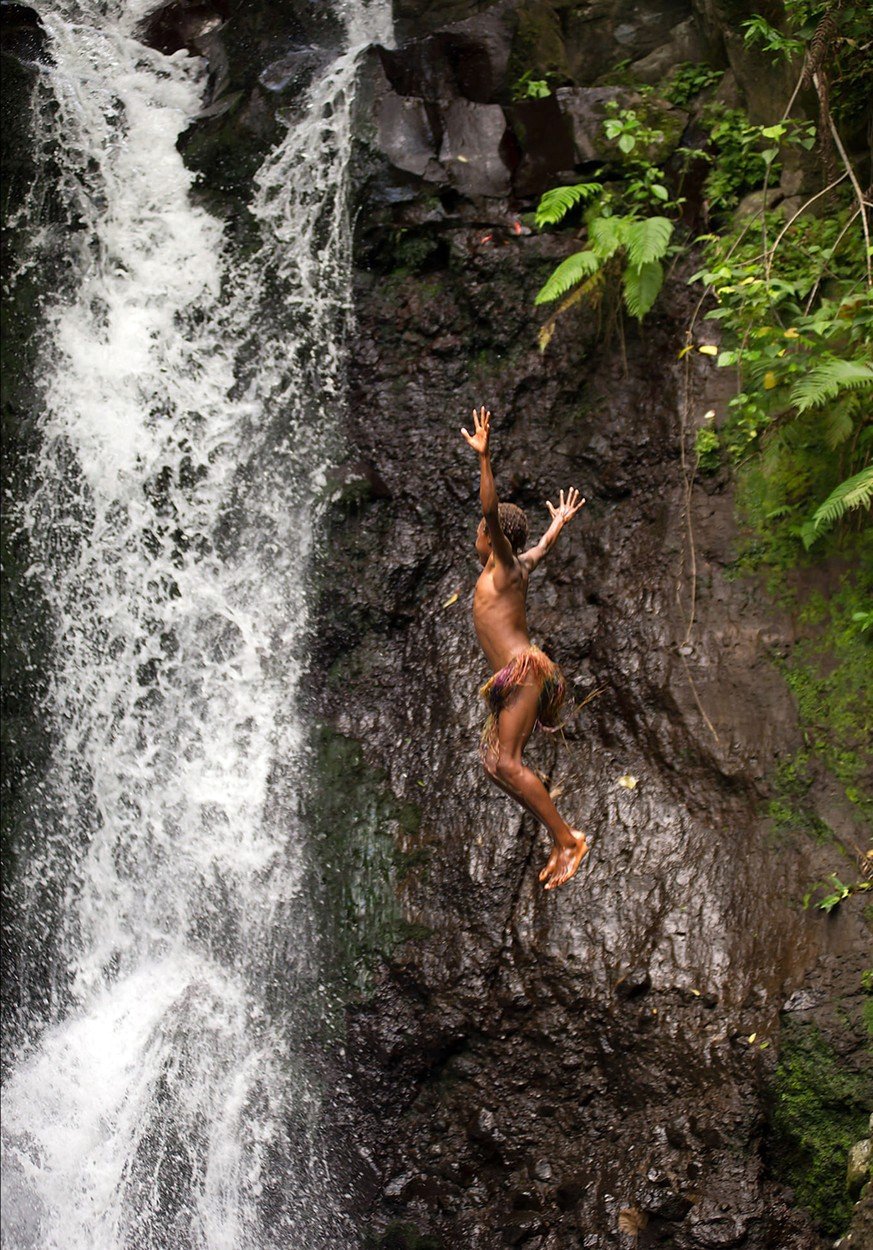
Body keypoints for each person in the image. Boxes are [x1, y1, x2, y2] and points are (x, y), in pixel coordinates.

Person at [461, 405, 589, 890]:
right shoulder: (520, 567)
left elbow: (491, 511)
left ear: (494, 541)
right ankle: (558, 836)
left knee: (507, 763)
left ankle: (568, 839)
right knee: (495, 763)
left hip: (523, 674)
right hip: (516, 680)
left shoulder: (501, 566)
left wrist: (485, 457)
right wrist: (558, 522)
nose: (479, 534)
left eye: (482, 532)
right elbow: (543, 548)